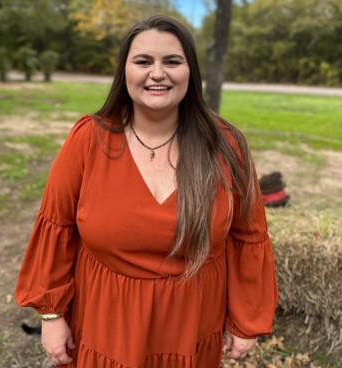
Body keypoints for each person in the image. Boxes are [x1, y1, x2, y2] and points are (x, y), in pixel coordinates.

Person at [15, 15, 278, 368]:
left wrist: (246, 321)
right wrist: (51, 316)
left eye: (172, 61)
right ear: (124, 72)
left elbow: (249, 235)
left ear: (191, 72)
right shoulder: (88, 140)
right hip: (105, 327)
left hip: (191, 329)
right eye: (143, 61)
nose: (158, 73)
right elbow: (57, 228)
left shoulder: (225, 145)